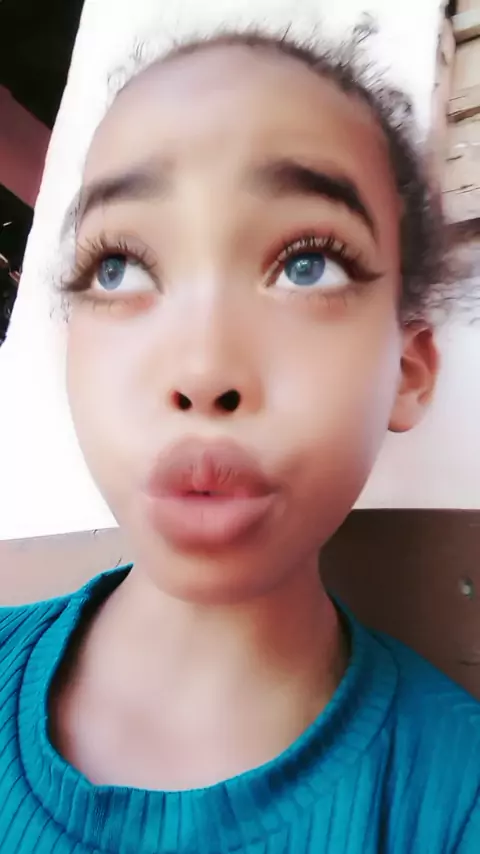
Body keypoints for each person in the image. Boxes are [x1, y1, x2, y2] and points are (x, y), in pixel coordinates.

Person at [0, 27, 479, 854]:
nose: (202, 370)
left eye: (308, 264)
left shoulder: (456, 796)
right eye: (118, 266)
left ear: (407, 370)